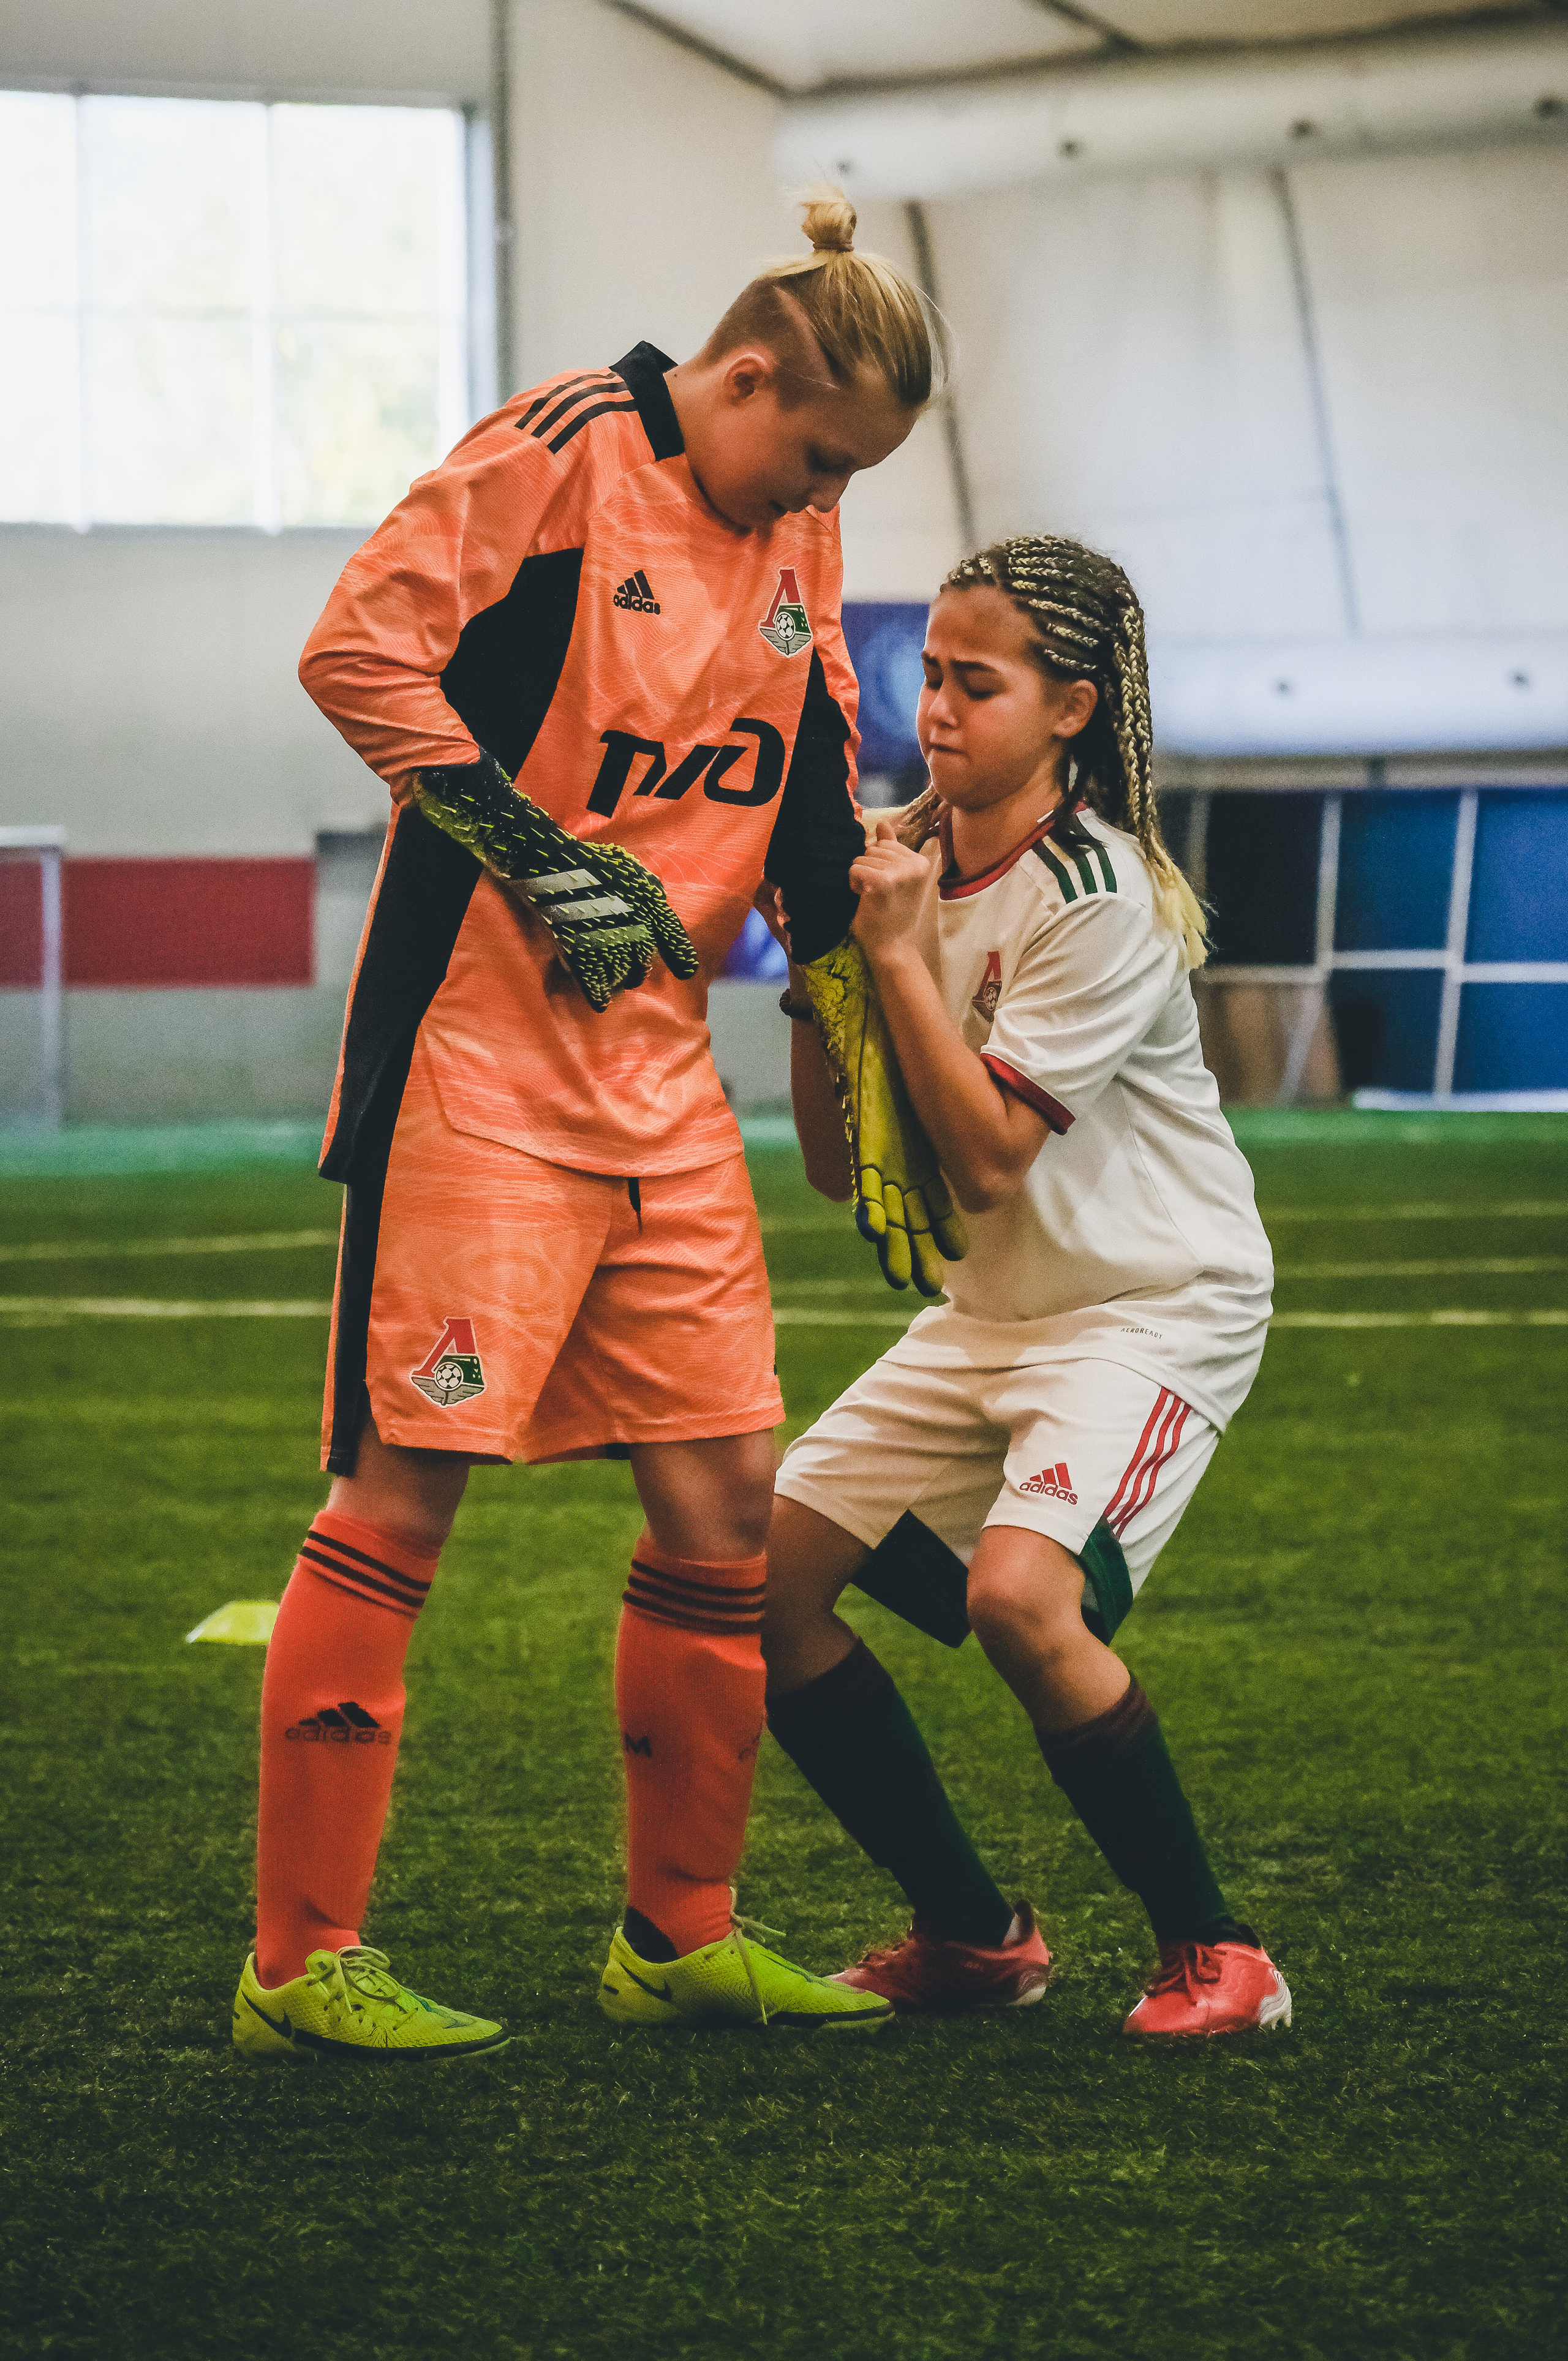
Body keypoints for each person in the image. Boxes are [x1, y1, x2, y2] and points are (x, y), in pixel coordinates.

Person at [231, 192, 933, 2062]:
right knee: (403, 1490)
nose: (814, 499)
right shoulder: (554, 452)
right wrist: (539, 855)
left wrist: (849, 982)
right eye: (812, 453)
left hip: (662, 1082)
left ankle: (679, 1938)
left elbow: (805, 754)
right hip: (475, 1069)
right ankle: (301, 1970)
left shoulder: (801, 508)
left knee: (721, 1503)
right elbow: (356, 653)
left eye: (843, 481)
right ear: (748, 373)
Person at [763, 535, 1292, 2039]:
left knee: (1018, 1597)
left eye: (972, 681)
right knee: (765, 1585)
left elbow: (987, 1158)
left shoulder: (1096, 890)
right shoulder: (895, 868)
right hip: (987, 1315)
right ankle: (975, 1934)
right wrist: (818, 975)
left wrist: (895, 960)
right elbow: (824, 1161)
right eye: (925, 673)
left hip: (1149, 1305)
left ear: (1067, 705)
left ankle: (1218, 1951)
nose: (932, 707)